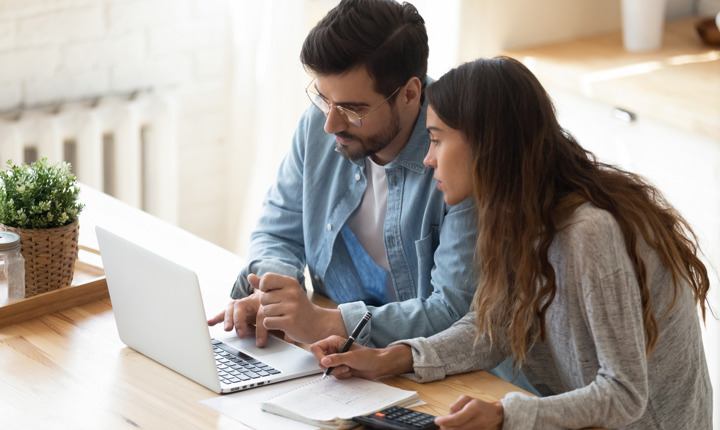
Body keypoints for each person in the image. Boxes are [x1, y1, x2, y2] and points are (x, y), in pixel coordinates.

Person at [311, 56, 712, 429]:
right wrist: (390, 358)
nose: (429, 158)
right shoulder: (516, 216)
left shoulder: (589, 232)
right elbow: (494, 327)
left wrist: (507, 415)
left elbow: (625, 394)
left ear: (488, 144)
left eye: (437, 139)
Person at [207, 0, 481, 352]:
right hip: (331, 356)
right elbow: (279, 229)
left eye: (353, 109)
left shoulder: (462, 153)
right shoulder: (321, 121)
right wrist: (274, 296)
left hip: (426, 369)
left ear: (410, 94)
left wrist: (324, 322)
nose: (330, 124)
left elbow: (454, 312)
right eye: (323, 99)